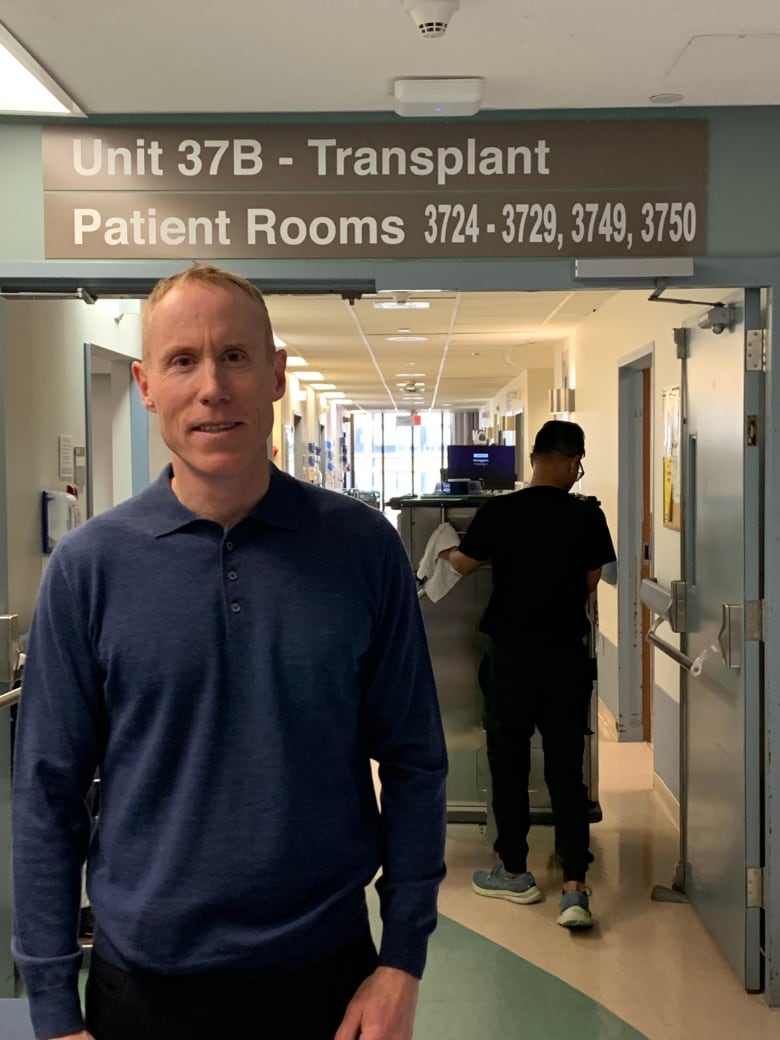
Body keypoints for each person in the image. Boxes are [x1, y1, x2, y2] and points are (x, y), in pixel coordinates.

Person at [11, 263, 448, 1040]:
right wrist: (51, 1007)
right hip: (143, 990)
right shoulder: (89, 569)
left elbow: (415, 761)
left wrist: (402, 960)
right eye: (183, 361)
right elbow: (48, 796)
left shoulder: (361, 552)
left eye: (236, 357)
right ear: (146, 386)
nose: (211, 386)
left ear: (276, 376)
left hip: (329, 981)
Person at [439, 420, 615, 929]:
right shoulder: (586, 515)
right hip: (564, 657)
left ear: (535, 455)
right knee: (566, 769)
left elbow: (466, 565)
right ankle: (575, 888)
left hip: (512, 659)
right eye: (577, 463)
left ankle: (514, 871)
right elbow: (590, 578)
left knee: (510, 766)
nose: (577, 473)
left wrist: (447, 548)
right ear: (566, 458)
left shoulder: (500, 510)